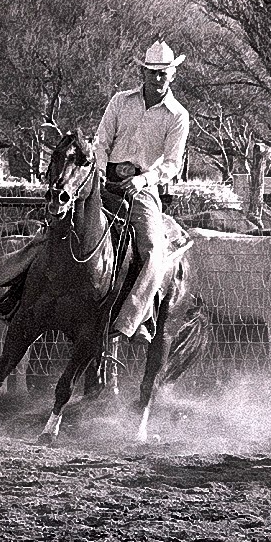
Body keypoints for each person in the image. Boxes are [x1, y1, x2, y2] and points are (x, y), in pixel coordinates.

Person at [93, 37, 191, 359]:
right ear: (143, 73)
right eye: (152, 72)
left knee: (153, 251)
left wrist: (142, 179)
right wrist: (100, 172)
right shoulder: (120, 101)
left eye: (163, 73)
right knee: (61, 223)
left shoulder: (177, 115)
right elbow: (101, 141)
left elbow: (172, 164)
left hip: (143, 189)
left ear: (172, 74)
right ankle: (26, 292)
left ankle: (131, 323)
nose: (158, 78)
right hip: (105, 179)